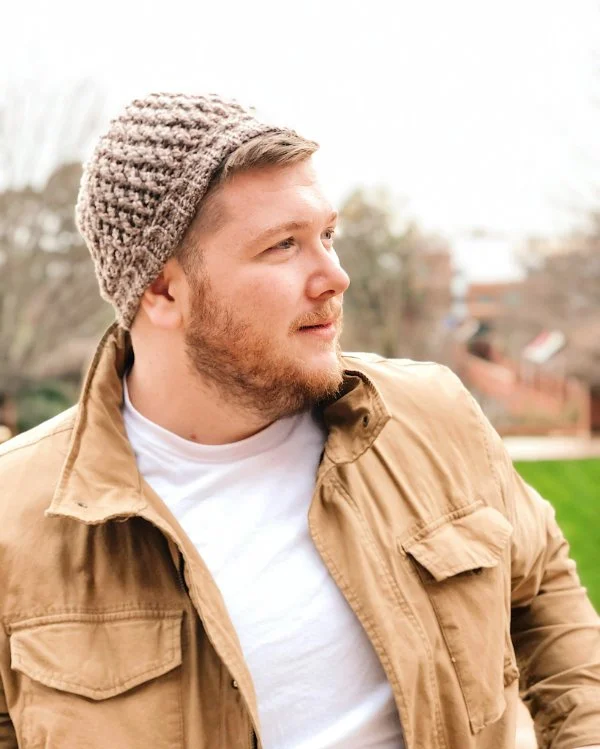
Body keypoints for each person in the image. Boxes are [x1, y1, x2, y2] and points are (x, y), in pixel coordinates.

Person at [0, 93, 598, 749]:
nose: (334, 276)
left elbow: (542, 591)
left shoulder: (432, 413)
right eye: (283, 245)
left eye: (327, 236)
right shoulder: (15, 519)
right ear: (162, 291)